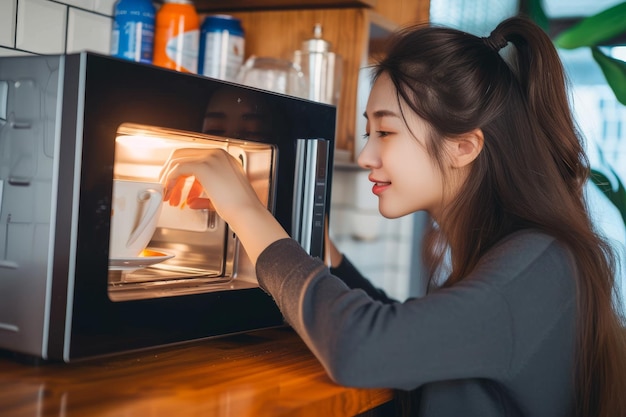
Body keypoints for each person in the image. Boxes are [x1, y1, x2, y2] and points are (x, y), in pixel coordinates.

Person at [160, 16, 626, 417]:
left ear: (464, 146)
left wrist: (246, 214)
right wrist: (324, 254)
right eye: (368, 131)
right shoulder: (522, 255)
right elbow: (410, 333)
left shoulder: (538, 264)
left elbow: (365, 346)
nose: (366, 154)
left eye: (384, 131)